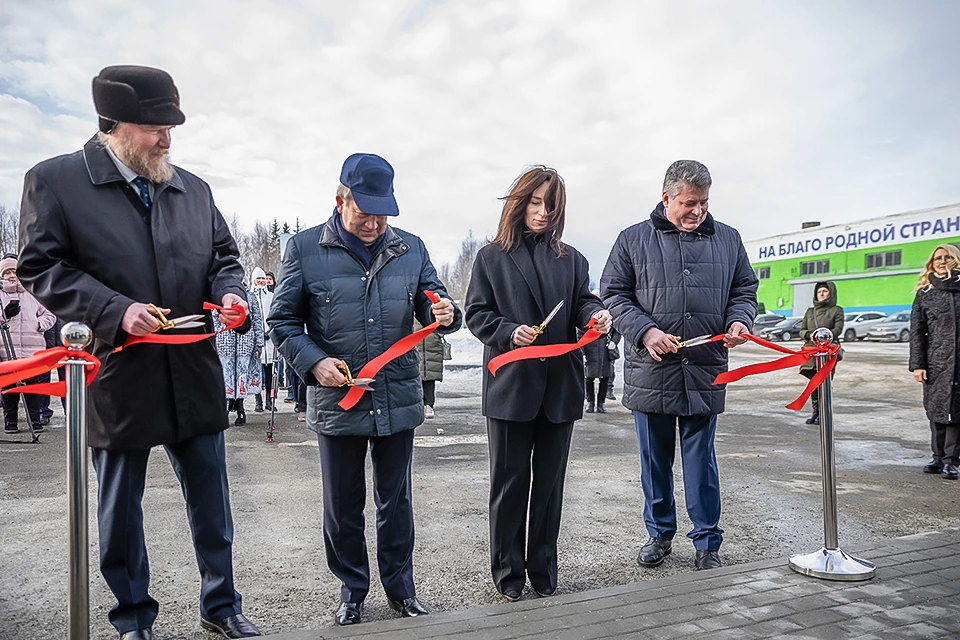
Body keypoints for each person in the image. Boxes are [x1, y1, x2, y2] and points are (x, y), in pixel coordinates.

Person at [17, 65, 260, 639]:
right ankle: (132, 618)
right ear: (113, 124)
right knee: (119, 508)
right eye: (154, 127)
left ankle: (221, 606)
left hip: (192, 369)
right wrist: (113, 309)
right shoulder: (54, 181)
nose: (167, 139)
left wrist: (231, 292)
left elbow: (224, 257)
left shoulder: (193, 188)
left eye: (172, 126)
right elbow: (40, 266)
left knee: (212, 501)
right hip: (117, 371)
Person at [269, 153, 460, 626]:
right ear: (340, 201)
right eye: (364, 211)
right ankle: (352, 589)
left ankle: (401, 588)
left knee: (396, 501)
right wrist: (315, 363)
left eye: (383, 213)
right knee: (342, 504)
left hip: (396, 396)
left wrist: (445, 311)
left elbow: (433, 298)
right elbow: (283, 321)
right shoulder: (304, 248)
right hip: (339, 399)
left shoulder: (410, 248)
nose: (375, 223)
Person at [600, 160, 758, 572]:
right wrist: (645, 331)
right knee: (654, 462)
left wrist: (740, 319)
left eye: (704, 203)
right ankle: (660, 535)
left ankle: (707, 541)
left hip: (705, 370)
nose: (698, 211)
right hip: (651, 371)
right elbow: (613, 295)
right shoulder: (632, 240)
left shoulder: (728, 239)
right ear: (666, 197)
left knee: (700, 462)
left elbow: (745, 289)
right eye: (689, 203)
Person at [465, 166, 611, 601]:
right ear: (518, 202)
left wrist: (594, 315)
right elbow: (476, 313)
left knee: (549, 485)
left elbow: (584, 300)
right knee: (509, 485)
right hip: (511, 387)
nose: (543, 212)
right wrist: (509, 331)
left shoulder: (573, 259)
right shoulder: (491, 257)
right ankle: (509, 574)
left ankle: (544, 571)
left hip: (560, 389)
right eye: (535, 202)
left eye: (552, 205)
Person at [910, 244, 960, 480]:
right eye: (938, 258)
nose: (942, 261)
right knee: (937, 410)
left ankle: (952, 461)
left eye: (948, 257)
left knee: (956, 412)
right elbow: (917, 332)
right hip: (936, 362)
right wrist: (918, 364)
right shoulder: (926, 292)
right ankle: (938, 457)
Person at [0, 257, 56, 434]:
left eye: (14, 272)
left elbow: (50, 315)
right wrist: (4, 316)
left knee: (32, 385)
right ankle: (11, 422)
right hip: (6, 346)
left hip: (32, 347)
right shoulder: (1, 295)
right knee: (9, 386)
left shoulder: (34, 292)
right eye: (7, 273)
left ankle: (35, 420)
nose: (11, 276)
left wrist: (37, 324)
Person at [215, 282, 264, 426]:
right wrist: (216, 335)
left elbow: (257, 320)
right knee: (226, 375)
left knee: (242, 375)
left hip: (245, 341)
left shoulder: (250, 296)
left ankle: (240, 409)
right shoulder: (221, 296)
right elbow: (214, 318)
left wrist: (259, 342)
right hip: (224, 342)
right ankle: (225, 409)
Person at [799, 282, 844, 425]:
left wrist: (824, 336)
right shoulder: (809, 312)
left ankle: (824, 412)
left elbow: (838, 329)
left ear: (831, 293)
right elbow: (802, 330)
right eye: (819, 292)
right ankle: (815, 412)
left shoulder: (836, 310)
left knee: (824, 381)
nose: (822, 294)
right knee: (813, 382)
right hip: (811, 351)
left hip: (827, 351)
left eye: (825, 291)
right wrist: (809, 335)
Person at [250, 267, 275, 412]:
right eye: (257, 279)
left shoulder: (271, 297)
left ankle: (269, 401)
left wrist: (270, 331)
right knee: (256, 371)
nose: (260, 281)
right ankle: (258, 400)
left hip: (269, 338)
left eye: (262, 278)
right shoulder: (250, 296)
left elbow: (275, 315)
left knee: (270, 371)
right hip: (256, 340)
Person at [583, 326, 618, 414]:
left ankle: (601, 403)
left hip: (606, 350)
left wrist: (614, 341)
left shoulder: (610, 314)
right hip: (590, 350)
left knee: (605, 378)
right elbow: (580, 333)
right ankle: (590, 402)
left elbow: (617, 330)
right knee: (589, 378)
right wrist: (582, 352)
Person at [415, 319, 445, 419]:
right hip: (415, 340)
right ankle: (419, 405)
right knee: (415, 376)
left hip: (431, 342)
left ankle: (429, 405)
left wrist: (438, 334)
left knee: (429, 376)